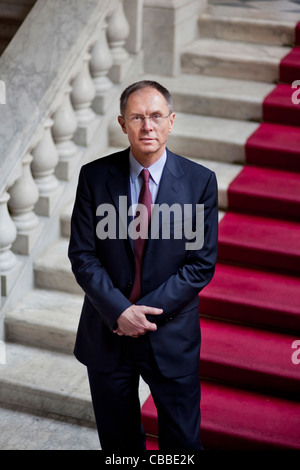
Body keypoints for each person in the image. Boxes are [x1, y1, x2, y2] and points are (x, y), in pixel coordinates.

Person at [68, 80, 218, 451]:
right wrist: (120, 312)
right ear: (122, 124)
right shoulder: (93, 177)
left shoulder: (199, 183)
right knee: (119, 446)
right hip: (107, 332)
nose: (147, 126)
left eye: (155, 116)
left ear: (171, 121)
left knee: (182, 444)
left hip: (170, 335)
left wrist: (142, 314)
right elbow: (82, 255)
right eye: (137, 117)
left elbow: (199, 264)